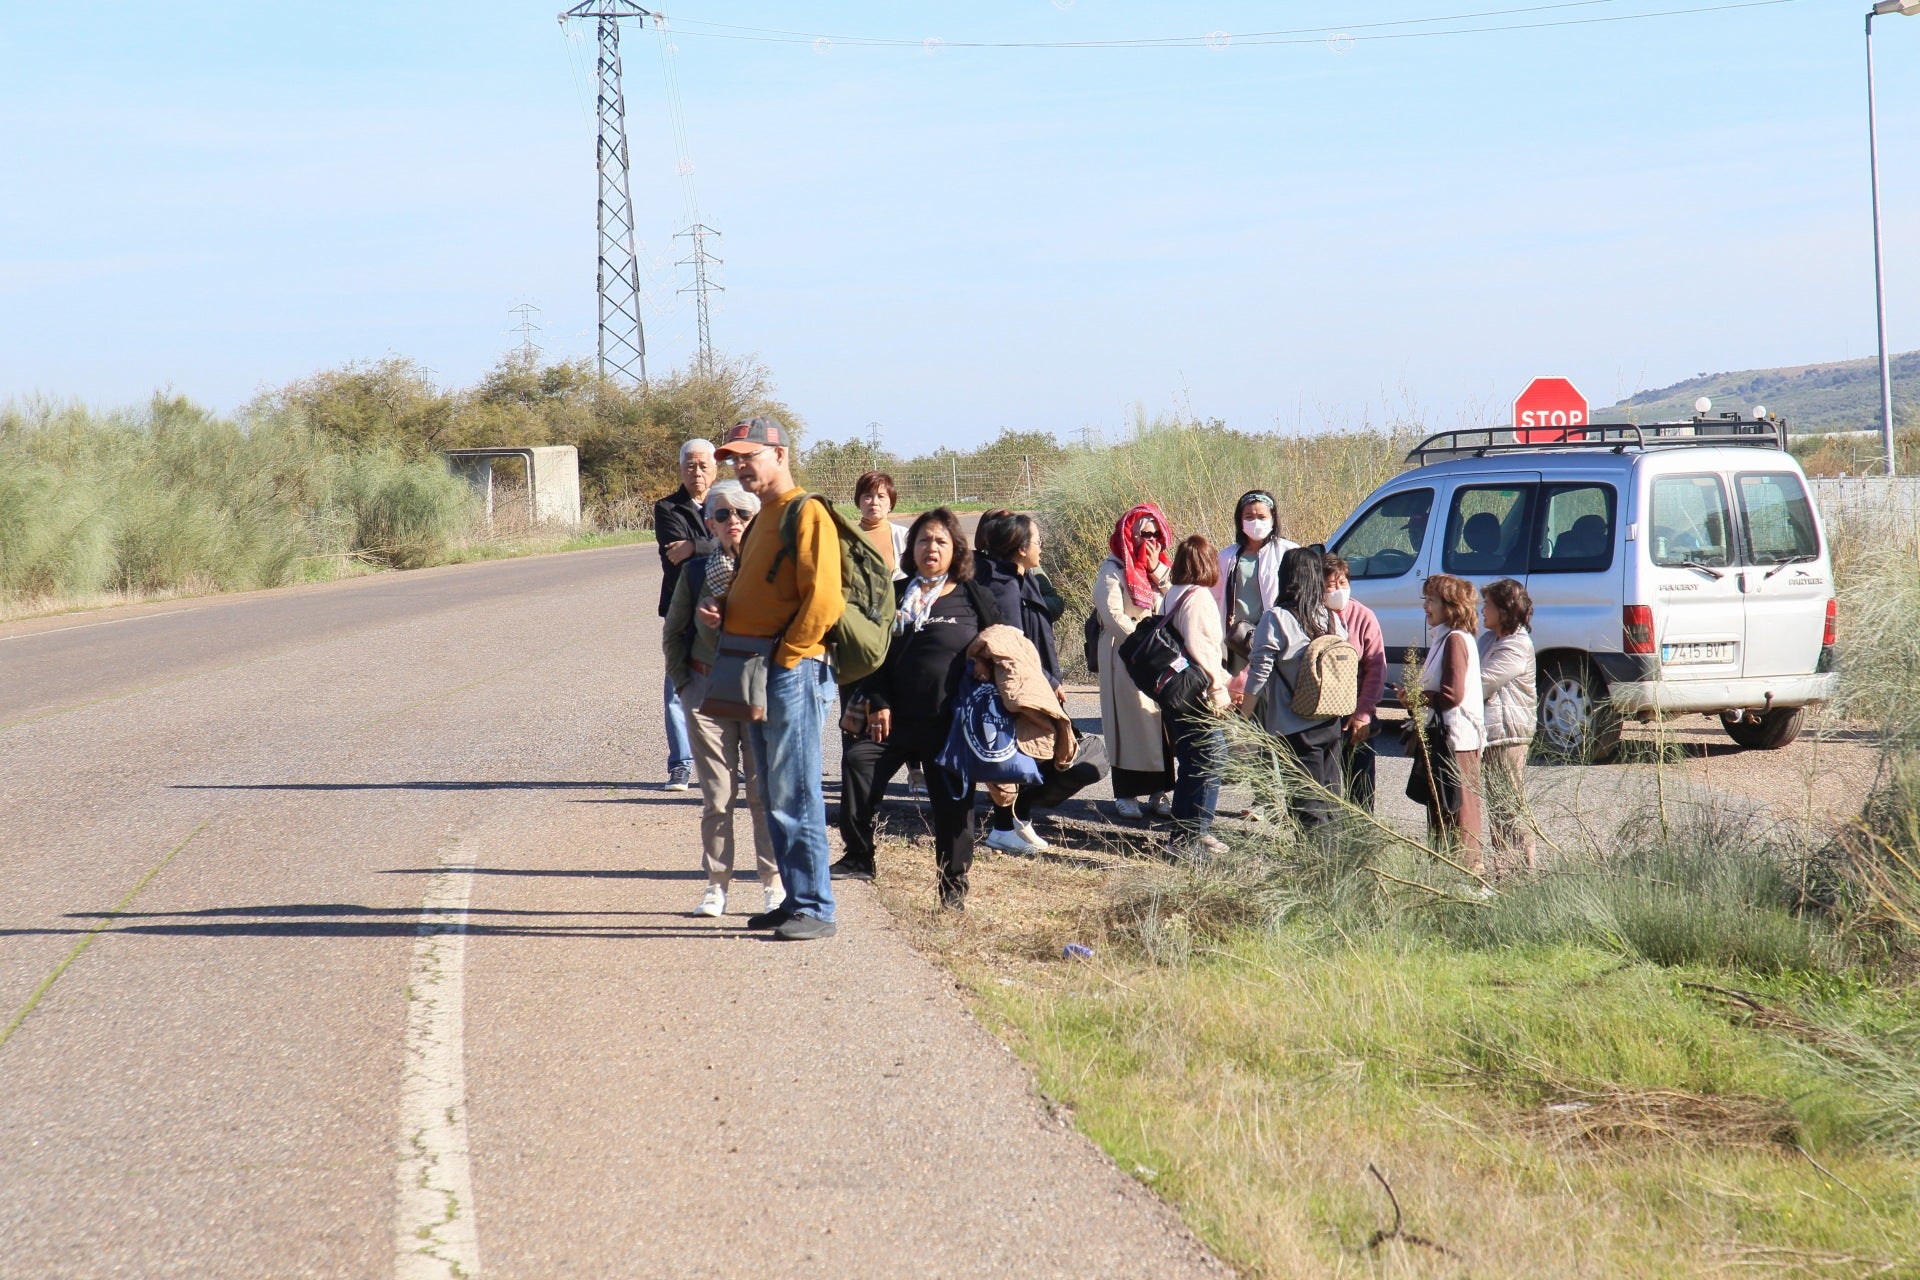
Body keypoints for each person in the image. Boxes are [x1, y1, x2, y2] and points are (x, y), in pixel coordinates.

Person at [706, 417, 841, 941]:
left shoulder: (807, 513)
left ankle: (816, 907)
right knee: (772, 789)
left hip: (791, 669)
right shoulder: (763, 516)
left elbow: (825, 598)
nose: (740, 466)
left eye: (749, 456)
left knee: (796, 789)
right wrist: (725, 606)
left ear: (780, 456)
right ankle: (793, 900)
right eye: (735, 459)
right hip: (758, 665)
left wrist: (789, 655)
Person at [837, 508, 1001, 910]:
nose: (931, 547)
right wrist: (877, 701)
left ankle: (952, 891)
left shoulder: (973, 594)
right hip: (894, 717)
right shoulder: (896, 594)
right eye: (924, 540)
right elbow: (872, 656)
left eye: (941, 541)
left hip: (949, 723)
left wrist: (986, 661)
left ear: (955, 550)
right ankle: (860, 855)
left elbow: (1003, 642)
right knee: (859, 763)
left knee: (954, 809)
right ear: (912, 548)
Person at [662, 480, 780, 917]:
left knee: (762, 793)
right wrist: (684, 685)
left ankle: (773, 883)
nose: (734, 522)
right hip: (705, 692)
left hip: (757, 691)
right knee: (717, 796)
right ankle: (716, 885)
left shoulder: (771, 571)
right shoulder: (695, 573)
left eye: (743, 514)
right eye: (723, 514)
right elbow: (674, 634)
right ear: (709, 522)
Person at [977, 511, 1097, 855]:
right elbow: (1014, 645)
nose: (1041, 546)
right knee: (1029, 757)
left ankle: (1018, 819)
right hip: (1023, 688)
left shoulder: (1023, 577)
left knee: (1053, 757)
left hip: (1040, 682)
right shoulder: (1002, 585)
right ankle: (1008, 823)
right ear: (1019, 547)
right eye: (1036, 540)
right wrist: (1046, 681)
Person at [1240, 545, 1347, 830]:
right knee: (1332, 801)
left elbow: (1259, 671)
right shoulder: (1331, 617)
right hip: (1331, 719)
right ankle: (1336, 864)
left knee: (1306, 805)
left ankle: (1316, 870)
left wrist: (1245, 716)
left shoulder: (1276, 618)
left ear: (1285, 577)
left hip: (1295, 724)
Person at [1094, 504, 1175, 819]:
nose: (1151, 541)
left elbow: (1175, 598)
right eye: (1144, 534)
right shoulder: (1112, 568)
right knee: (1129, 726)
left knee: (1159, 725)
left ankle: (1160, 792)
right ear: (1129, 534)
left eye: (1155, 534)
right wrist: (1141, 642)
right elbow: (1111, 613)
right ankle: (1125, 794)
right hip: (1126, 653)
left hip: (1158, 655)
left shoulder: (1159, 568)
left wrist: (1157, 572)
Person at [1403, 574, 1486, 868]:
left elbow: (1451, 694)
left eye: (1431, 600)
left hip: (1456, 742)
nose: (1426, 607)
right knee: (1443, 811)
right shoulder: (1446, 638)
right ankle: (1448, 872)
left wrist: (1416, 696)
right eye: (1425, 600)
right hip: (1448, 739)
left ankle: (1467, 874)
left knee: (1459, 813)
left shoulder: (1455, 640)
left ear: (1450, 606)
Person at [1159, 536, 1232, 856]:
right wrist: (1220, 689)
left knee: (1191, 761)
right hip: (1197, 694)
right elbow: (1203, 650)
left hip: (1175, 692)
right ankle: (1195, 833)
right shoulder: (1199, 596)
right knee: (1209, 759)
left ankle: (1184, 833)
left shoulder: (1173, 593)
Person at [652, 439, 718, 791]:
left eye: (703, 465)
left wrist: (696, 545)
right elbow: (675, 556)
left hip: (726, 607)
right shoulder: (667, 508)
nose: (697, 472)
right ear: (680, 469)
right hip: (681, 608)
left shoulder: (728, 503)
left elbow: (743, 545)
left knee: (727, 684)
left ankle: (728, 761)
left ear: (715, 468)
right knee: (678, 686)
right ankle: (681, 764)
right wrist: (711, 545)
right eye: (690, 465)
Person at [1479, 578, 1539, 875]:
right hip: (1491, 734)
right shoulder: (1489, 640)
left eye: (1488, 604)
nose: (1482, 610)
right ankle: (1504, 870)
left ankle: (1525, 871)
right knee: (1497, 807)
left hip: (1508, 735)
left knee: (1510, 807)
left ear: (1505, 610)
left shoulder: (1517, 645)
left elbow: (1480, 683)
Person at [1323, 553, 1385, 811]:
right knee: (1327, 785)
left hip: (1356, 712)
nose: (1337, 590)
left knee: (1360, 785)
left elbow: (1375, 668)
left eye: (1342, 583)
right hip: (1321, 713)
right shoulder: (1312, 614)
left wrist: (1362, 713)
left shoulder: (1363, 615)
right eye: (1330, 585)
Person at [1211, 490, 1298, 675]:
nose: (1255, 522)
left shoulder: (1289, 552)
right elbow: (1215, 597)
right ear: (1240, 520)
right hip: (1239, 639)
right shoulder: (1227, 556)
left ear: (1273, 518)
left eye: (1261, 516)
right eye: (1249, 517)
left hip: (1276, 637)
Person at [854, 471, 911, 581]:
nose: (874, 502)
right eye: (868, 496)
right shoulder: (846, 537)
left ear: (891, 504)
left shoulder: (905, 536)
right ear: (858, 502)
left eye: (881, 496)